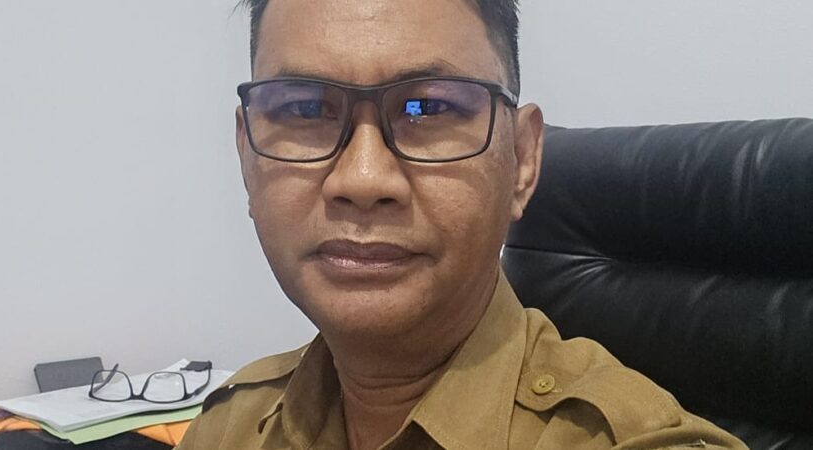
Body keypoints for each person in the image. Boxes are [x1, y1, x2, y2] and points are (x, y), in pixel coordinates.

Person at [177, 0, 748, 449]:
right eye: (304, 108)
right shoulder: (227, 428)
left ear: (522, 161)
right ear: (246, 158)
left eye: (428, 108)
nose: (364, 178)